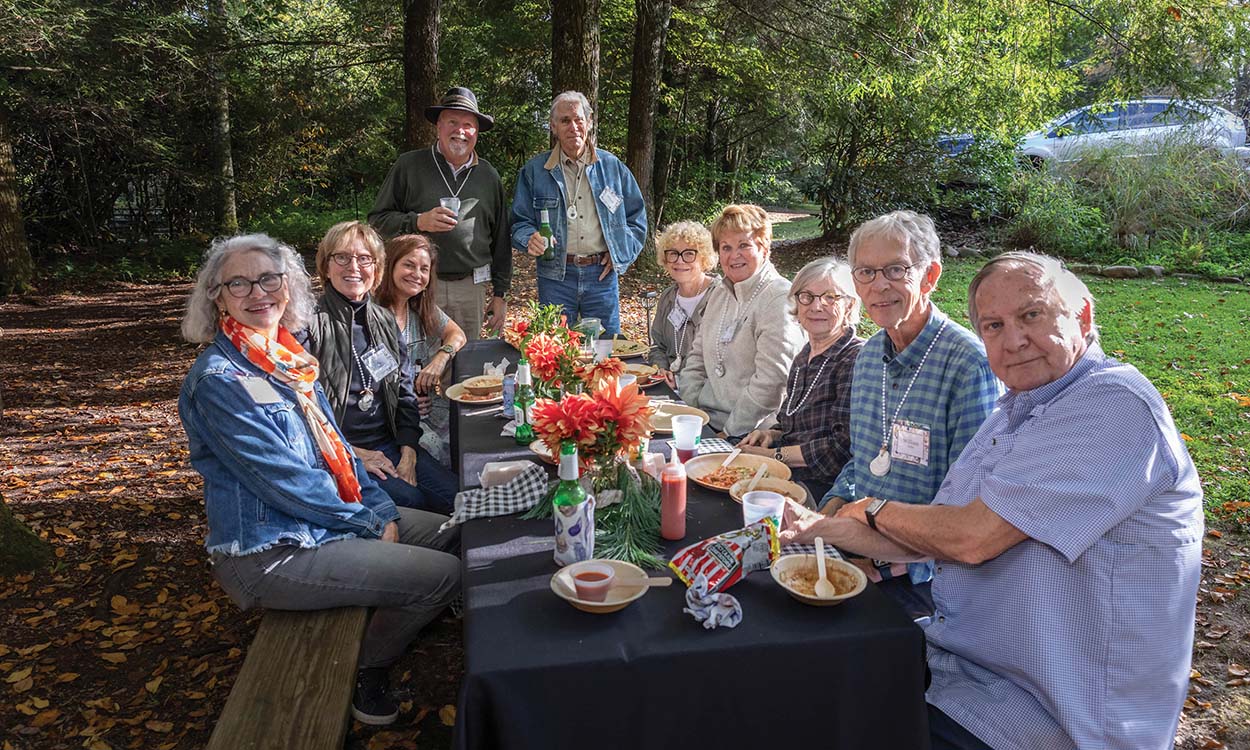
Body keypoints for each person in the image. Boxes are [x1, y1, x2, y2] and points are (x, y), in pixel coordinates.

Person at [781, 251, 1203, 750]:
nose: (1014, 340)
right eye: (994, 326)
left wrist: (872, 509)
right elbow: (939, 532)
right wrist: (816, 527)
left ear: (1083, 315)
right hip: (964, 667)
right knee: (794, 682)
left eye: (1032, 315)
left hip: (1049, 712)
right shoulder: (1017, 409)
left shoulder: (1113, 403)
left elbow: (972, 538)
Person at [178, 233, 460, 727]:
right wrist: (370, 523)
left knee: (453, 529)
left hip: (323, 523)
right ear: (217, 298)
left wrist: (378, 508)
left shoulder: (285, 358)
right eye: (238, 284)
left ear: (287, 287)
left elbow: (339, 451)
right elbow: (283, 481)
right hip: (272, 550)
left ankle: (395, 603)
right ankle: (370, 669)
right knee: (445, 575)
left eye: (269, 279)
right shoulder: (220, 380)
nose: (258, 293)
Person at [820, 210, 1000, 617]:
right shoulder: (869, 358)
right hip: (857, 544)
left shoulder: (969, 366)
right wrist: (824, 515)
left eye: (896, 269)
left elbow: (970, 510)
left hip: (926, 577)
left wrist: (884, 565)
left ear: (930, 276)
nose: (879, 285)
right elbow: (862, 462)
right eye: (866, 272)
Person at [301, 221, 458, 514]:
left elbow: (405, 393)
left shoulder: (383, 322)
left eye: (365, 259)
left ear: (376, 269)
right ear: (326, 266)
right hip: (341, 452)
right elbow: (299, 410)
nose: (354, 267)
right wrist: (355, 453)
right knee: (413, 501)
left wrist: (409, 452)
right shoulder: (309, 326)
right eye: (342, 257)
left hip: (391, 444)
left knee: (457, 498)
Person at [368, 87, 510, 339]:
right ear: (438, 127)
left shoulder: (488, 176)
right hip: (415, 284)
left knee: (465, 356)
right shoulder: (409, 166)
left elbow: (501, 239)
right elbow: (377, 221)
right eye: (452, 122)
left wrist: (501, 294)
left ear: (476, 132)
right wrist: (418, 221)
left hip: (470, 288)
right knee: (415, 355)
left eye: (468, 125)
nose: (460, 131)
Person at [511, 90, 647, 335]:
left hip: (601, 276)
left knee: (606, 347)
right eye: (565, 121)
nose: (573, 127)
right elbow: (519, 222)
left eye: (578, 120)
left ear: (589, 122)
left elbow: (636, 219)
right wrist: (529, 237)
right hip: (555, 275)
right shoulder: (535, 171)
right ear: (553, 126)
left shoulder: (612, 168)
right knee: (555, 347)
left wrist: (620, 253)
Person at [738, 258, 863, 503]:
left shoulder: (855, 358)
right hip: (786, 470)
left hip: (823, 487)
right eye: (807, 296)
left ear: (849, 305)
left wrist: (774, 456)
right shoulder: (804, 356)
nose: (816, 306)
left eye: (830, 297)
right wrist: (769, 435)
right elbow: (790, 424)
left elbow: (841, 448)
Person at [677, 204, 805, 438]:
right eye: (726, 247)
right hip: (705, 422)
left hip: (751, 434)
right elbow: (696, 359)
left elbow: (772, 383)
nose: (734, 255)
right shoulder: (720, 292)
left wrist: (729, 432)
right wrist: (690, 413)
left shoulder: (778, 298)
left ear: (764, 248)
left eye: (744, 245)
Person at [376, 234, 467, 468]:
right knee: (432, 446)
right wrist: (400, 404)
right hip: (389, 420)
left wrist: (441, 357)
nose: (417, 274)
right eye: (409, 265)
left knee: (468, 429)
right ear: (390, 265)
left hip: (428, 409)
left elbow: (457, 334)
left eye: (424, 269)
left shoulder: (419, 308)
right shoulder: (371, 312)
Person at [647, 220, 719, 388]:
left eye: (689, 254)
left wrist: (683, 381)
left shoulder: (721, 297)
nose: (680, 261)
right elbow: (657, 346)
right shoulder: (668, 298)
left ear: (704, 258)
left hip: (707, 392)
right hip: (669, 388)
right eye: (673, 253)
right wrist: (661, 369)